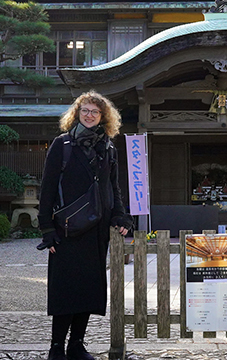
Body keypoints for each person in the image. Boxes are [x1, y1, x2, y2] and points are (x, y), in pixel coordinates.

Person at [37, 91, 134, 360]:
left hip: (97, 229)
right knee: (64, 289)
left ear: (103, 116)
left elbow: (113, 188)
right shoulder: (63, 144)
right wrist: (47, 228)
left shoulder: (109, 147)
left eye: (95, 111)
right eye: (85, 111)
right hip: (66, 229)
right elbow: (47, 188)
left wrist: (120, 216)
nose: (89, 115)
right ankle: (56, 346)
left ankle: (77, 345)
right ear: (77, 114)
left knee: (88, 289)